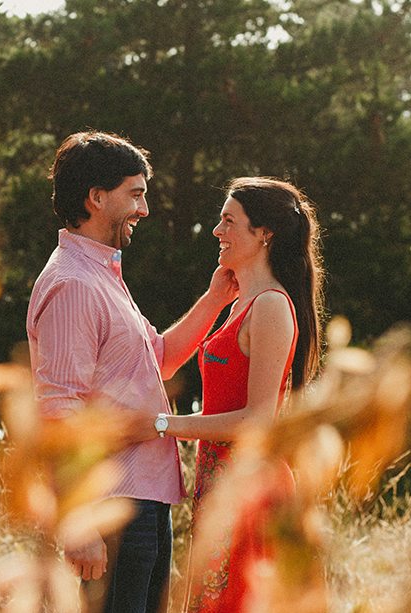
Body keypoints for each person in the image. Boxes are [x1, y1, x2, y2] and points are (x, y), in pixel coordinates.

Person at [26, 130, 237, 613]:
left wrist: (215, 299)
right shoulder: (73, 284)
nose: (144, 210)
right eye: (135, 194)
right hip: (112, 503)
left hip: (146, 499)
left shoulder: (102, 275)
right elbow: (59, 408)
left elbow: (157, 360)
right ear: (96, 198)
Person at [135, 177, 323, 612]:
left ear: (264, 234)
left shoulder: (272, 306)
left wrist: (163, 425)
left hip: (252, 488)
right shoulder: (239, 303)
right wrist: (217, 297)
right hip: (218, 483)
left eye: (228, 221)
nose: (217, 231)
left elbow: (257, 421)